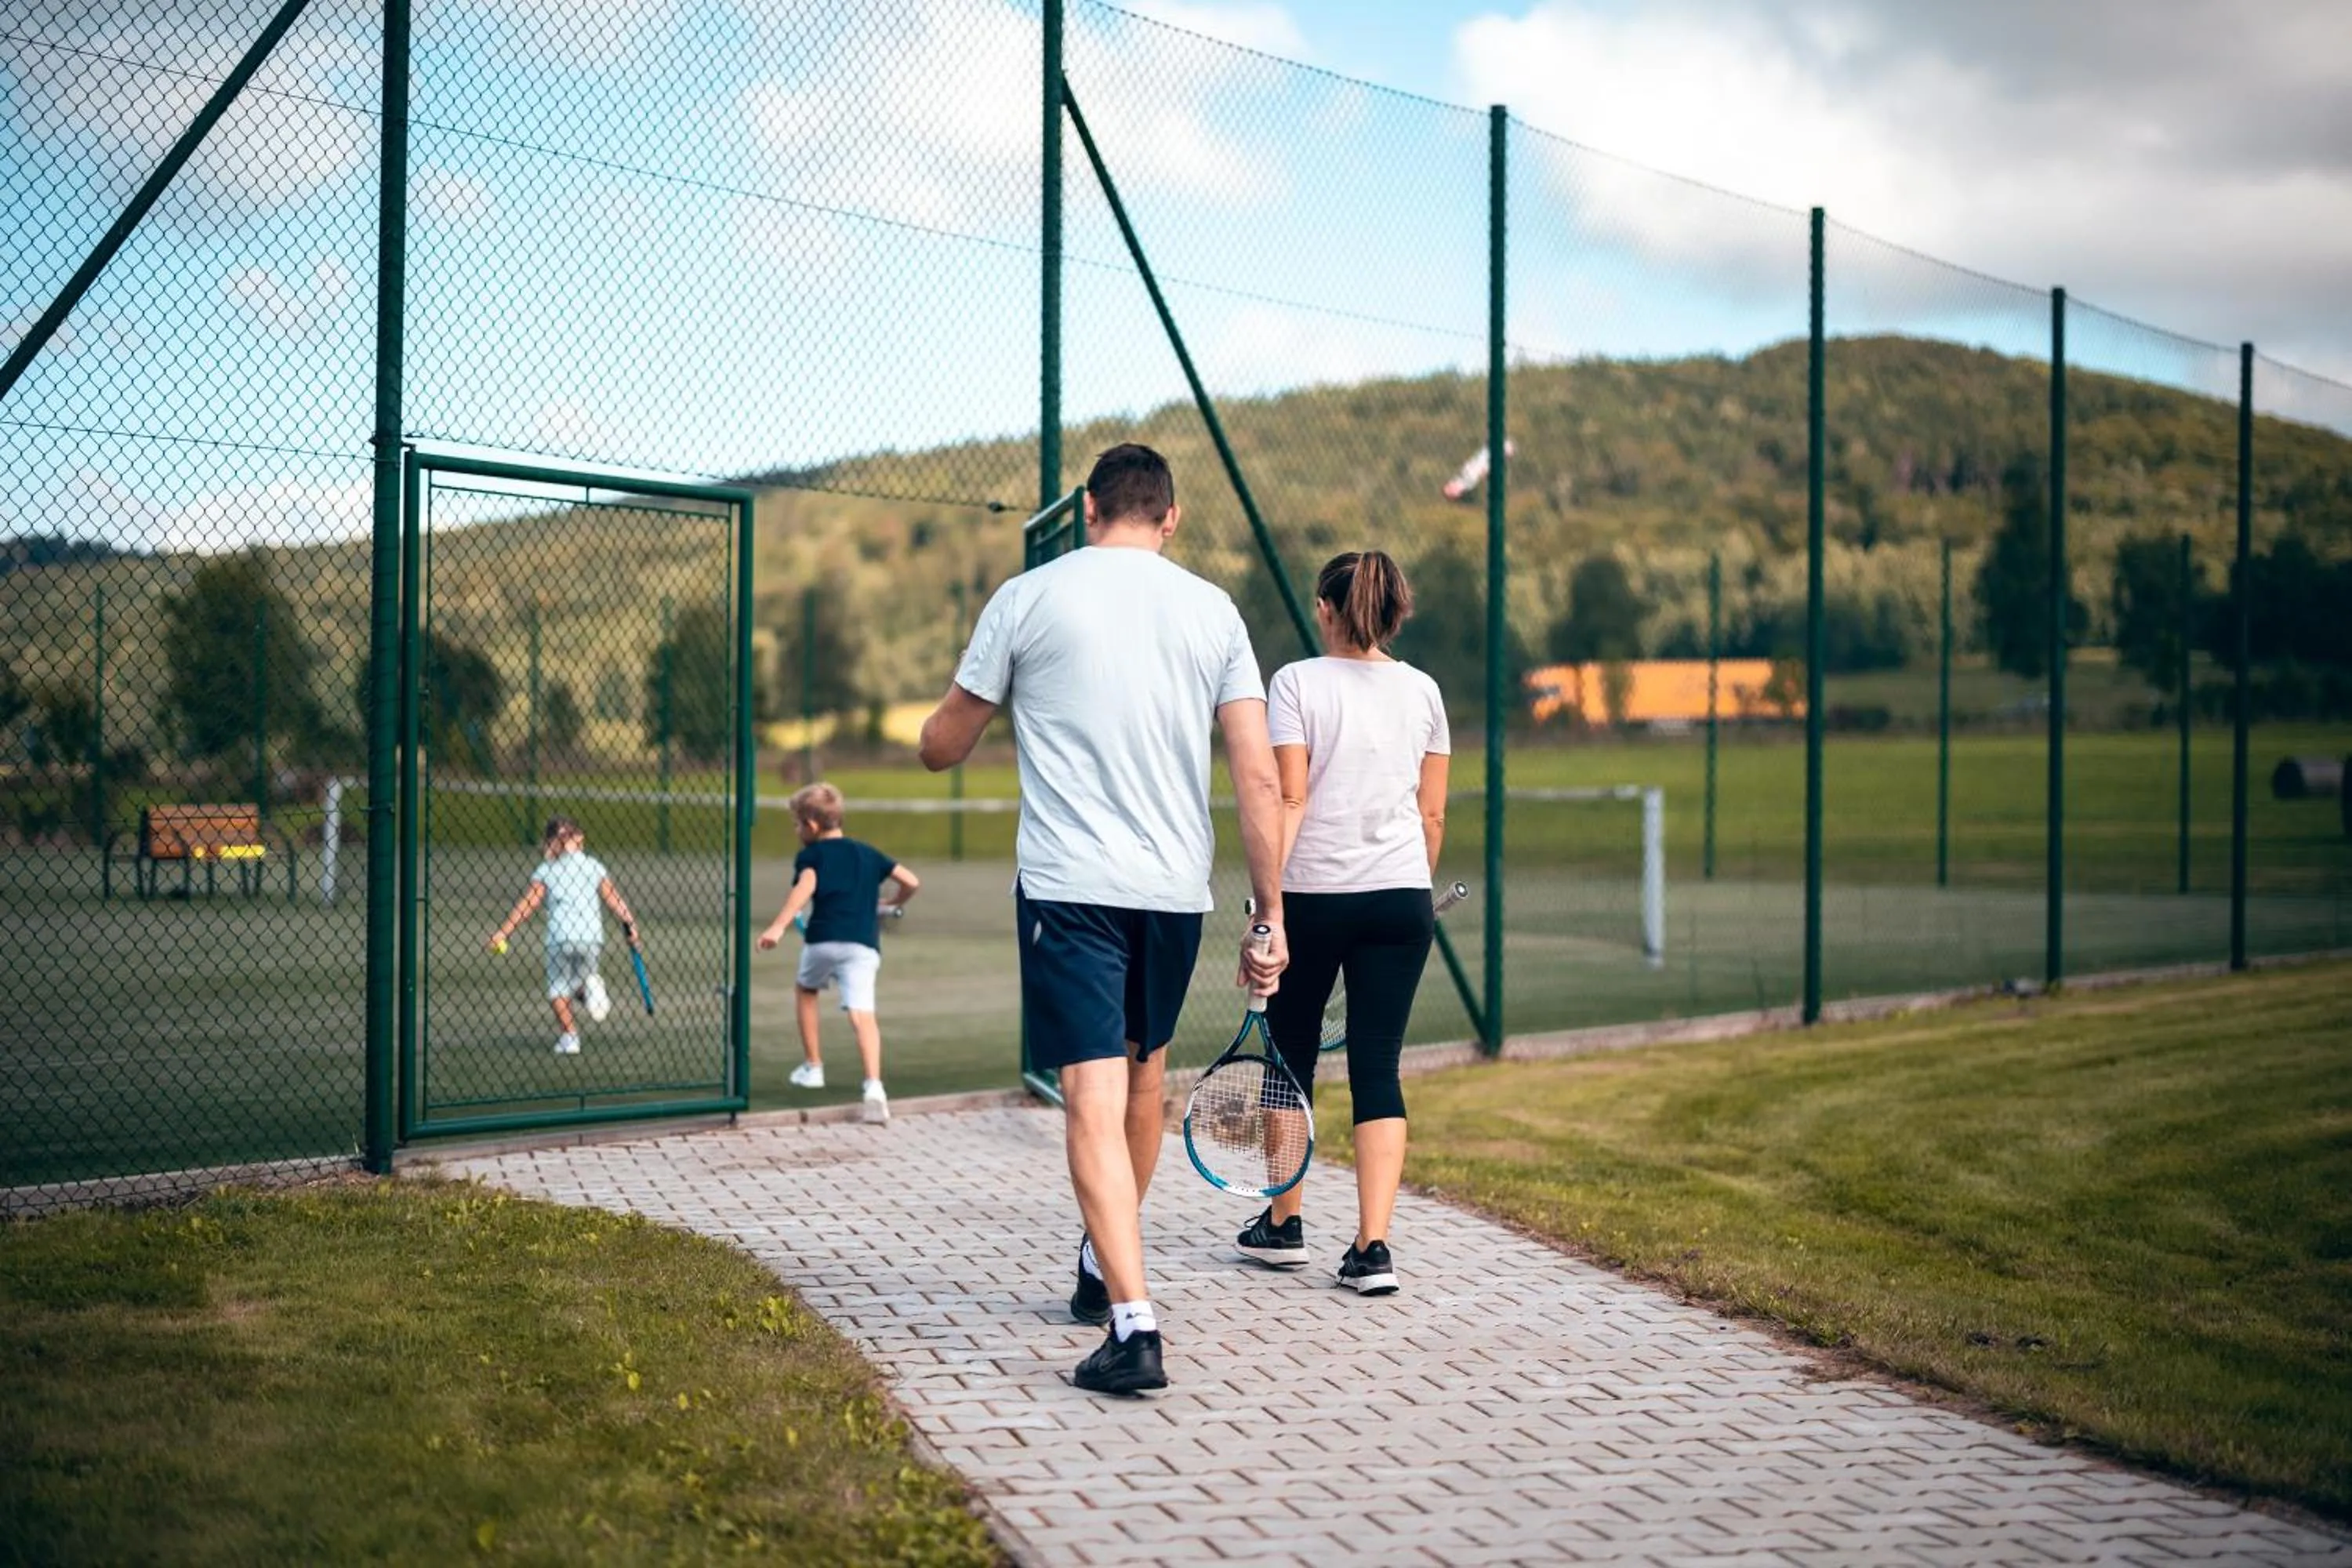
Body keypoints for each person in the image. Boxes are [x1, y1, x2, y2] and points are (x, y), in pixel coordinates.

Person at [916, 442, 1288, 1396]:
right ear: (1170, 517)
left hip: (1071, 890)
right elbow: (1256, 776)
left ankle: (1134, 1323)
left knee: (1089, 1096)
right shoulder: (1212, 608)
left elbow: (941, 746)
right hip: (1173, 894)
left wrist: (961, 712)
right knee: (1142, 1086)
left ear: (1089, 508)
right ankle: (1103, 1264)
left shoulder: (1027, 597)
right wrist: (1270, 915)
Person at [1237, 550, 1447, 1296]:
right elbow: (1431, 815)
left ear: (1327, 609)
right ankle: (1372, 1249)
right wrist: (1407, 884)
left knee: (1289, 1060)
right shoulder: (1425, 690)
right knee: (1378, 1067)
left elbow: (1288, 800)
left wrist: (1269, 908)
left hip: (1316, 896)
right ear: (1394, 612)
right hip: (1401, 900)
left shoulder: (1295, 682)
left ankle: (1283, 1226)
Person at [756, 782, 920, 1124]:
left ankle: (813, 1066)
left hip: (823, 941)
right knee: (863, 1014)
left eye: (798, 824)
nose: (797, 831)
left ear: (812, 826)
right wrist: (891, 903)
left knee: (806, 989)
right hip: (862, 946)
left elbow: (805, 889)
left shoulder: (811, 855)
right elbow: (911, 881)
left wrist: (778, 926)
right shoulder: (869, 853)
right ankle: (874, 1087)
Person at [487, 815, 641, 1056]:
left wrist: (503, 932)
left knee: (558, 988)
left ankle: (570, 1037)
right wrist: (630, 925)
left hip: (561, 937)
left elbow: (529, 904)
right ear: (579, 839)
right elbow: (613, 898)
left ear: (549, 842)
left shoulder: (547, 870)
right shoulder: (591, 865)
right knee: (578, 978)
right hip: (592, 937)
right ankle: (588, 987)